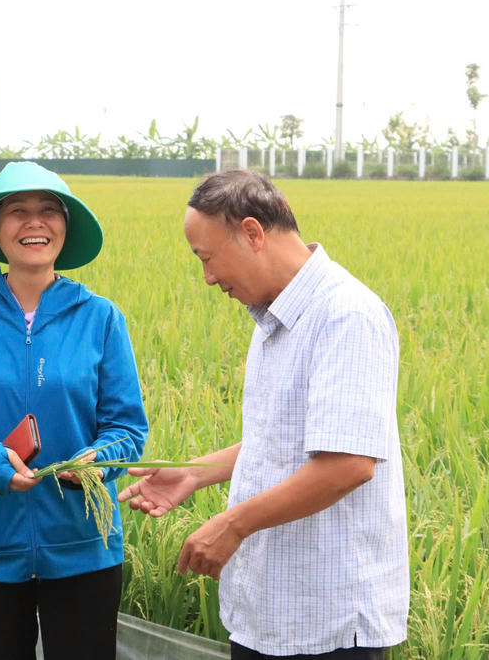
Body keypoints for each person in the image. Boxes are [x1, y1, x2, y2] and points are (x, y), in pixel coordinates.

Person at [117, 169, 409, 659]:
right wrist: (193, 473)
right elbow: (281, 438)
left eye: (207, 259)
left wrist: (232, 524)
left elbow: (347, 465)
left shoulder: (346, 315)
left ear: (253, 233)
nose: (208, 278)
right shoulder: (274, 318)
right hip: (271, 609)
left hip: (327, 622)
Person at [0, 161, 148, 660]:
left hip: (83, 547)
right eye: (17, 211)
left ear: (65, 227)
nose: (34, 222)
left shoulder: (101, 318)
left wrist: (98, 460)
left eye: (48, 211)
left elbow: (127, 427)